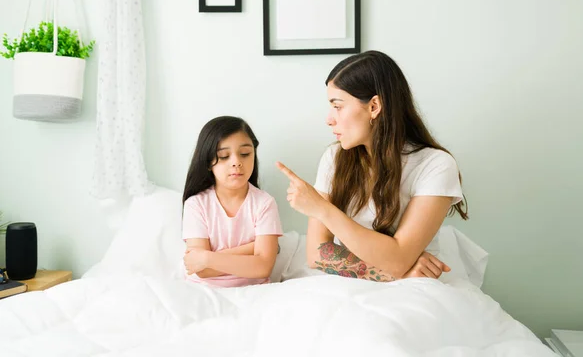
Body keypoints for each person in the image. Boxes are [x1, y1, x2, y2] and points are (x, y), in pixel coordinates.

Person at [277, 50, 468, 281]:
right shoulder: (334, 157)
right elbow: (318, 254)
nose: (329, 118)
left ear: (374, 106)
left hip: (416, 290)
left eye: (337, 106)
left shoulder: (435, 165)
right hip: (354, 283)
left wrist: (321, 209)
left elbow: (398, 259)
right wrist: (396, 273)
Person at [182, 116, 283, 287]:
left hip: (256, 292)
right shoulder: (196, 204)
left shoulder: (265, 203)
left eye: (245, 154)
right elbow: (201, 270)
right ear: (208, 162)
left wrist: (207, 257)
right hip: (204, 291)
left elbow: (263, 268)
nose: (236, 162)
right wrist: (252, 249)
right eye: (223, 156)